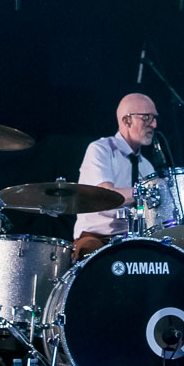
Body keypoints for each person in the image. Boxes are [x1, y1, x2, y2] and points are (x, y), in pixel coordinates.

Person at [72, 93, 159, 260]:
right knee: (91, 252)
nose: (154, 124)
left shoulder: (147, 166)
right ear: (127, 120)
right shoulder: (100, 149)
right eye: (147, 117)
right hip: (97, 237)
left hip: (134, 239)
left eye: (155, 118)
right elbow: (106, 195)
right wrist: (145, 191)